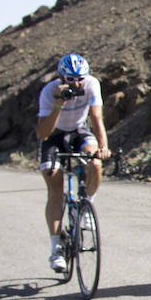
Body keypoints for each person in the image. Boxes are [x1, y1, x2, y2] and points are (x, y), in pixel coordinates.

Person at [36, 53, 111, 272]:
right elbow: (42, 133)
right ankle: (56, 249)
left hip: (79, 131)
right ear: (61, 78)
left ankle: (87, 205)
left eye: (80, 79)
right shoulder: (49, 91)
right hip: (54, 136)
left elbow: (96, 118)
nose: (76, 84)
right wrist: (59, 103)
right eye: (71, 80)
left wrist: (103, 147)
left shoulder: (91, 84)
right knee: (54, 186)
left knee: (94, 163)